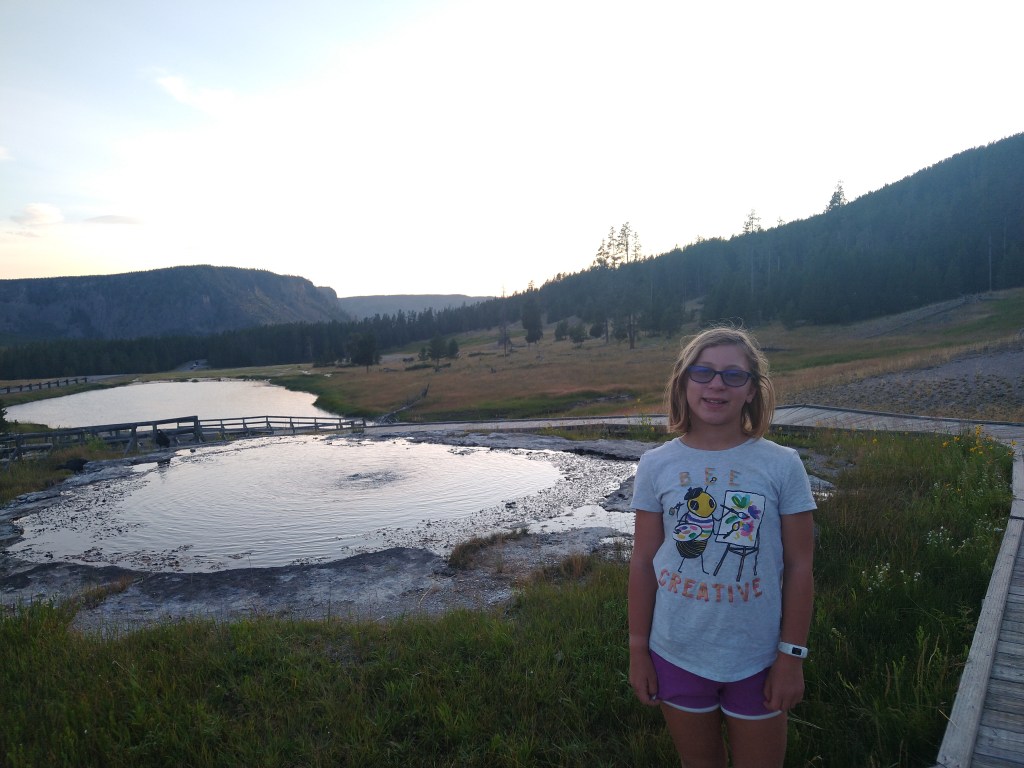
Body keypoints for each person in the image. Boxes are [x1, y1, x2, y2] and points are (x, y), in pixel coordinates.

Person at [628, 325, 816, 768]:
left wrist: (791, 656)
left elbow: (800, 565)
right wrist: (638, 650)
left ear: (751, 390)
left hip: (758, 657)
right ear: (683, 382)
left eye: (734, 375)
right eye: (703, 372)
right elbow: (643, 561)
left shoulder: (782, 465)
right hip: (675, 651)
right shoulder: (655, 465)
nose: (716, 384)